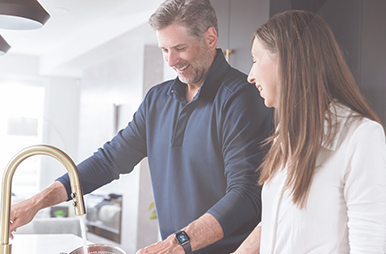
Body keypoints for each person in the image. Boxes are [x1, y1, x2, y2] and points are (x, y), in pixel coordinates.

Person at [9, 0, 273, 253]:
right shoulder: (158, 99)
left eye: (179, 48)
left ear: (210, 38)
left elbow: (246, 194)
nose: (170, 61)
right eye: (164, 50)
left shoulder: (241, 97)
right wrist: (36, 203)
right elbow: (109, 160)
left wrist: (179, 242)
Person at [233, 9, 386, 254]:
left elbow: (369, 247)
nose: (250, 76)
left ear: (286, 59)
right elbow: (275, 221)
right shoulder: (285, 134)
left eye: (254, 59)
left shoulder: (361, 137)